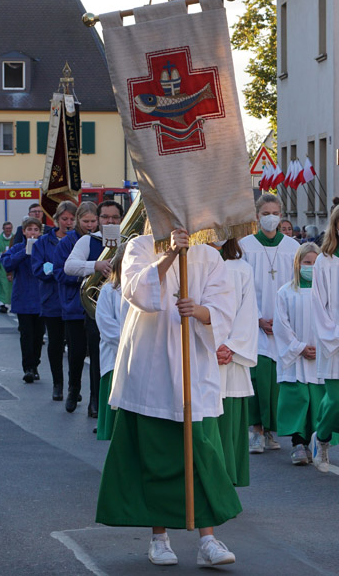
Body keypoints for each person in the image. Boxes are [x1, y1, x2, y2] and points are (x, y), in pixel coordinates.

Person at [95, 228, 239, 568]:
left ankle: (208, 539)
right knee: (154, 456)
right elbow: (135, 292)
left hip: (193, 366)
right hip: (151, 367)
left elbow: (223, 308)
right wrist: (171, 254)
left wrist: (200, 311)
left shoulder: (210, 256)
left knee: (200, 454)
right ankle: (159, 538)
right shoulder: (140, 246)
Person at [238, 194, 301, 453]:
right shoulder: (245, 246)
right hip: (254, 322)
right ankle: (256, 430)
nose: (271, 217)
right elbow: (240, 287)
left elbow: (297, 287)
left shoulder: (293, 247)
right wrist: (257, 319)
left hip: (283, 324)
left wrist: (284, 321)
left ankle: (271, 431)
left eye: (275, 212)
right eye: (265, 212)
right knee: (257, 375)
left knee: (278, 379)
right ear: (257, 216)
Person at [309, 203, 339, 472]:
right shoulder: (324, 262)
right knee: (335, 402)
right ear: (334, 229)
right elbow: (318, 304)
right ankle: (323, 437)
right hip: (336, 342)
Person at [63, 200, 125, 417]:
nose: (110, 221)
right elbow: (69, 267)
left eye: (114, 217)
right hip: (96, 306)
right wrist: (95, 266)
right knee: (99, 357)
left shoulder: (130, 241)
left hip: (127, 306)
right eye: (105, 217)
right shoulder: (89, 241)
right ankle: (95, 401)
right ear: (98, 220)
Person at [274, 243, 325, 466]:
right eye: (307, 263)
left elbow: (331, 321)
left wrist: (321, 347)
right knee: (298, 399)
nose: (311, 267)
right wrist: (299, 348)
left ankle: (316, 441)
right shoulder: (285, 292)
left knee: (317, 400)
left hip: (321, 355)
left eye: (315, 263)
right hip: (295, 356)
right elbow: (281, 326)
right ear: (297, 264)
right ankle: (297, 443)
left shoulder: (326, 292)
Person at [214, 237, 259, 486]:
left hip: (230, 359)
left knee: (228, 423)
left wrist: (229, 346)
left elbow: (248, 313)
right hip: (202, 354)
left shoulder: (241, 269)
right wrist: (210, 347)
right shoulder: (191, 264)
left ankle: (227, 479)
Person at [54, 201, 101, 415]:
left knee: (96, 354)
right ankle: (73, 390)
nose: (90, 225)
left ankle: (95, 398)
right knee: (76, 352)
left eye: (93, 221)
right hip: (74, 305)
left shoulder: (99, 240)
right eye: (85, 221)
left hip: (96, 306)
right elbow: (60, 273)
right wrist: (88, 276)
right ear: (77, 221)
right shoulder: (67, 242)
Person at [32, 202, 76, 400]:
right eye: (64, 219)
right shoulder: (42, 242)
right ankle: (57, 383)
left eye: (72, 219)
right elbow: (37, 269)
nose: (68, 223)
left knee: (75, 345)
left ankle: (73, 387)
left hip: (73, 299)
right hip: (52, 299)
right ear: (57, 220)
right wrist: (55, 269)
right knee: (55, 343)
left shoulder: (80, 239)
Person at [1, 218, 45, 383]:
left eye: (35, 229)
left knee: (38, 335)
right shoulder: (17, 247)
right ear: (24, 232)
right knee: (26, 335)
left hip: (41, 298)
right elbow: (6, 263)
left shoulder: (43, 247)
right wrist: (24, 252)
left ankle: (35, 365)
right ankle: (28, 368)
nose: (33, 232)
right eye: (29, 229)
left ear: (40, 232)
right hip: (23, 298)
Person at [93, 244, 130, 440]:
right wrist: (131, 346)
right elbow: (107, 327)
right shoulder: (109, 290)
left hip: (140, 360)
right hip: (115, 360)